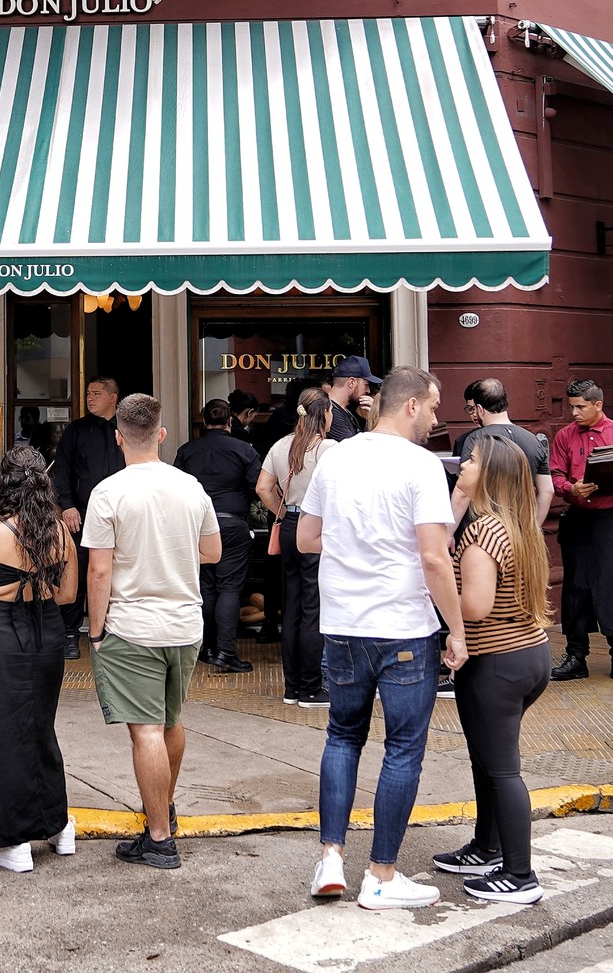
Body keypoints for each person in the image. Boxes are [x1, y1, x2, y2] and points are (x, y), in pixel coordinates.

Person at [300, 366, 465, 911]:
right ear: (411, 405)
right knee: (402, 748)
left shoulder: (337, 455)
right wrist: (456, 630)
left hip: (344, 623)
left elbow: (307, 538)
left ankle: (330, 857)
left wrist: (355, 551)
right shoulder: (421, 465)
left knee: (342, 736)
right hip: (402, 628)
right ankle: (381, 875)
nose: (438, 418)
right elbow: (434, 556)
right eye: (435, 406)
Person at [83, 393, 220, 872]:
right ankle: (166, 807)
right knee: (170, 720)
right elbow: (213, 552)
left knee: (145, 731)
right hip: (185, 624)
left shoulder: (108, 492)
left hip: (132, 625)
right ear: (161, 434)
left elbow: (99, 571)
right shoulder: (191, 487)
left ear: (118, 437)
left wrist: (95, 632)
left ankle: (159, 837)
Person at [436, 433, 553, 904]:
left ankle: (521, 875)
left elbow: (476, 606)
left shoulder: (485, 532)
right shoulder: (516, 523)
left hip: (497, 662)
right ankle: (486, 848)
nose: (462, 463)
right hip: (528, 654)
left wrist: (440, 590)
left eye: (472, 460)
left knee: (502, 770)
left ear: (491, 474)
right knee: (488, 759)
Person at [0, 446, 79, 872]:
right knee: (41, 727)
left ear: (2, 483)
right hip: (47, 633)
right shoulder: (59, 532)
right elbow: (67, 596)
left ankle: (13, 841)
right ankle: (59, 827)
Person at [548, 380, 613, 682]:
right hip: (579, 516)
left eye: (580, 406)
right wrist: (571, 488)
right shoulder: (565, 436)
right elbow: (555, 474)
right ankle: (576, 656)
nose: (574, 412)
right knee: (576, 587)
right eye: (572, 406)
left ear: (598, 405)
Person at [257, 390, 336, 707]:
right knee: (312, 608)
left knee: (291, 606)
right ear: (325, 414)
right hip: (317, 528)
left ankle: (292, 688)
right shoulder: (329, 449)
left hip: (289, 525)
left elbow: (262, 487)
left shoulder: (281, 445)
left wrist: (283, 511)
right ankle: (311, 688)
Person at [174, 398, 262, 673]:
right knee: (230, 588)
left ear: (202, 420)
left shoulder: (187, 450)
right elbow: (258, 486)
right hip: (231, 523)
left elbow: (176, 487)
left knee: (206, 587)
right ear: (230, 422)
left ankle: (207, 647)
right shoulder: (244, 450)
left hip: (198, 525)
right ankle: (225, 651)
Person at [51, 377, 124, 657]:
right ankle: (70, 634)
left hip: (120, 518)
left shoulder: (126, 428)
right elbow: (62, 472)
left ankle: (111, 633)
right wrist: (67, 505)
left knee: (116, 575)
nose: (90, 398)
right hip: (80, 516)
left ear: (113, 397)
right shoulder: (76, 430)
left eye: (96, 393)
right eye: (88, 394)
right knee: (76, 575)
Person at [453, 378, 553, 525]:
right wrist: (532, 530)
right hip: (519, 528)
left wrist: (448, 534)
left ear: (480, 409)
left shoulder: (476, 438)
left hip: (483, 531)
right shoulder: (533, 441)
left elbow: (463, 491)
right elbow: (547, 491)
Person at [323, 357, 379, 441]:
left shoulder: (345, 409)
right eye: (366, 385)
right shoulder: (330, 412)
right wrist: (375, 418)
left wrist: (370, 418)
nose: (368, 390)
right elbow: (356, 450)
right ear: (351, 382)